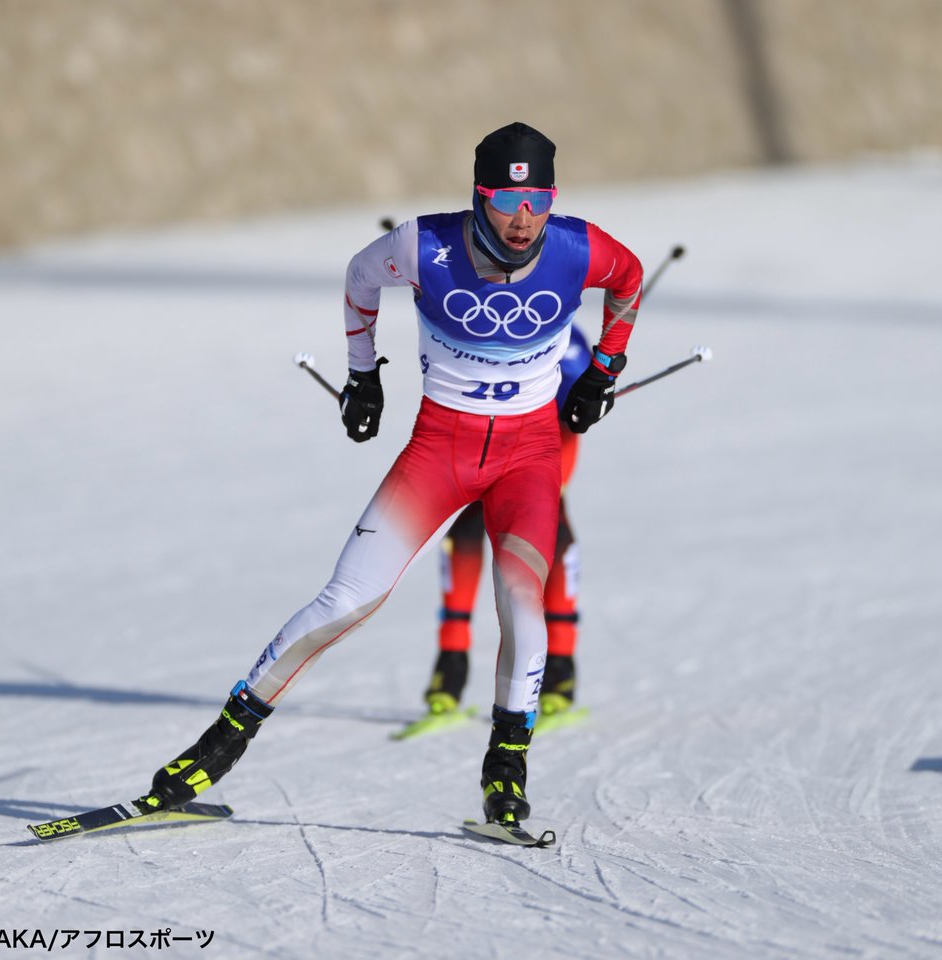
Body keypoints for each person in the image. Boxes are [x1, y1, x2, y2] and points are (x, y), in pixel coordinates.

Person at [138, 121, 643, 828]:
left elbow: (628, 279)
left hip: (530, 455)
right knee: (347, 599)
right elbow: (358, 278)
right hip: (440, 448)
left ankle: (506, 772)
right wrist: (362, 376)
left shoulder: (578, 248)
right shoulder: (424, 245)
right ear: (479, 195)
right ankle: (211, 751)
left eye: (539, 200)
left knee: (520, 605)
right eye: (506, 198)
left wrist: (604, 369)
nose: (524, 218)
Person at [422, 325, 591, 724]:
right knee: (463, 527)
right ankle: (450, 669)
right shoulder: (470, 313)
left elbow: (580, 383)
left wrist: (587, 395)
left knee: (549, 532)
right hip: (478, 439)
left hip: (541, 443)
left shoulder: (559, 327)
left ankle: (560, 674)